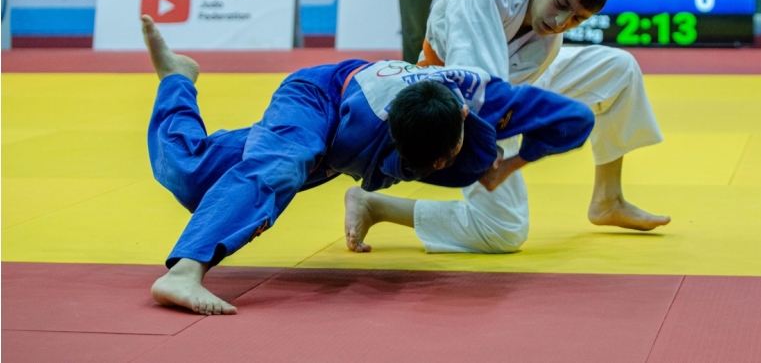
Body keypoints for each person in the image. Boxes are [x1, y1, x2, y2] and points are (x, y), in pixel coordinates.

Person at [140, 16, 594, 315]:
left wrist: (512, 164)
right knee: (276, 167)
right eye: (422, 164)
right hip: (319, 100)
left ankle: (177, 78)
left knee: (196, 176)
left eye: (440, 160)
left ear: (462, 116)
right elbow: (307, 159)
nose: (434, 168)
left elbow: (577, 119)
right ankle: (184, 272)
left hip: (377, 136)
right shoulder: (365, 125)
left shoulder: (490, 101)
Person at [343, 0, 670, 255]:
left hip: (507, 88)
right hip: (458, 103)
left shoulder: (548, 33)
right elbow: (482, 97)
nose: (561, 23)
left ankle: (608, 199)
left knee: (619, 69)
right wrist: (498, 157)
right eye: (560, 3)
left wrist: (515, 162)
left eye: (577, 19)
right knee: (505, 230)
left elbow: (516, 89)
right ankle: (376, 205)